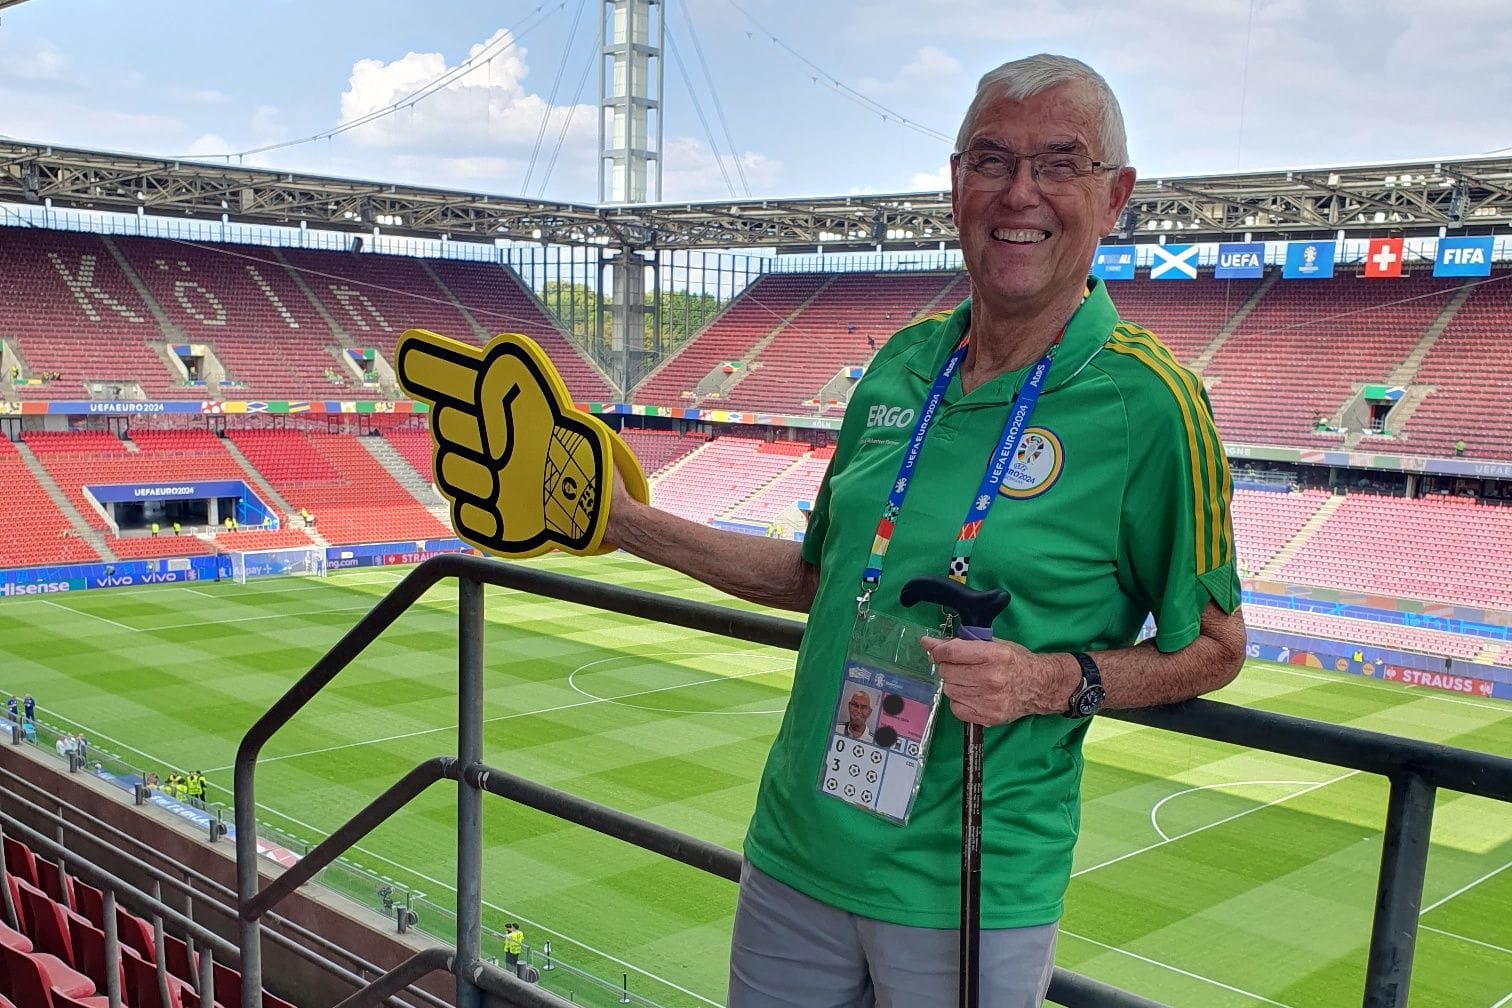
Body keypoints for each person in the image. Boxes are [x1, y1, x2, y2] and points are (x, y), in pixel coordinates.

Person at [602, 53, 1245, 1008]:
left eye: (1058, 162)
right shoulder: (903, 363)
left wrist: (1047, 681)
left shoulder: (1150, 404)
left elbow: (1218, 648)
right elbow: (820, 577)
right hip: (797, 849)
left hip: (970, 889)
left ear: (1115, 198)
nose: (1018, 191)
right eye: (990, 160)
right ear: (955, 186)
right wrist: (622, 523)